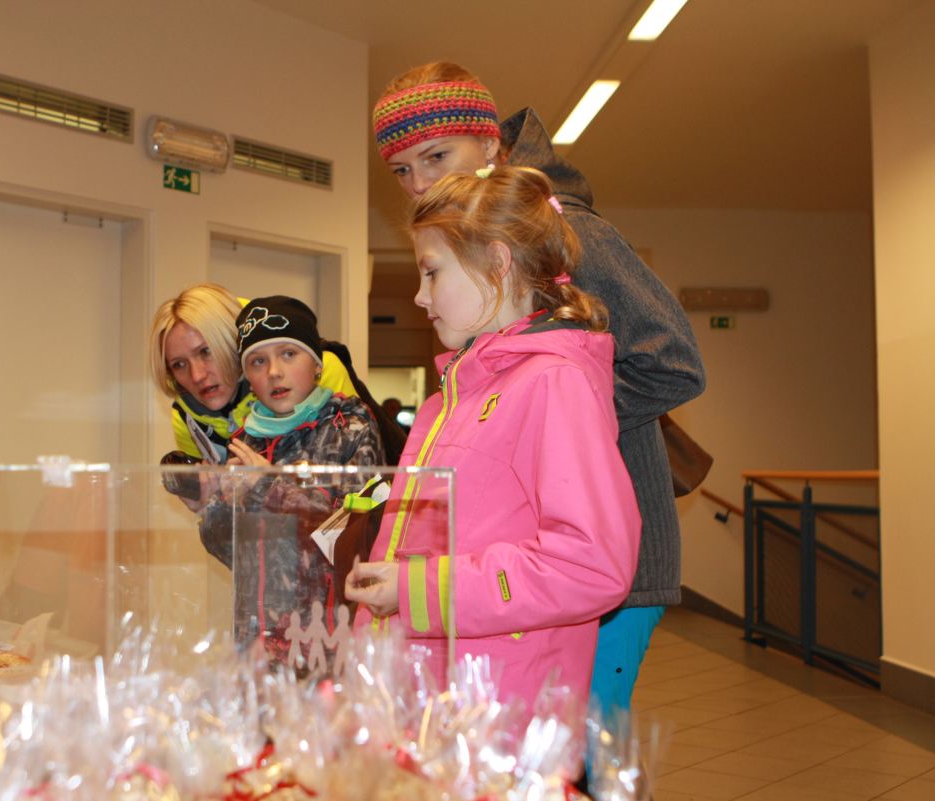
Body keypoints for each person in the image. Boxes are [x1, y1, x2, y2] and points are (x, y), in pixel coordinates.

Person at [372, 63, 706, 715]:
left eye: (436, 156)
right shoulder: (471, 251)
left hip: (599, 562)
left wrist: (541, 418)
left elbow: (674, 361)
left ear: (490, 144)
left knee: (580, 753)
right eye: (402, 170)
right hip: (514, 570)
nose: (419, 183)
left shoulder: (563, 228)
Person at [346, 166, 641, 709]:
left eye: (432, 272)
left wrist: (415, 591)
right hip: (434, 697)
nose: (419, 296)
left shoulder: (555, 382)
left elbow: (589, 564)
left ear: (498, 263)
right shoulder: (450, 401)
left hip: (501, 706)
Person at [198, 296, 385, 666]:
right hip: (256, 645)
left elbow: (351, 540)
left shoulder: (351, 428)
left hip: (328, 645)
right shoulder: (245, 440)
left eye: (288, 354)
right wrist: (213, 506)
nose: (274, 372)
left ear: (317, 364)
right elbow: (233, 555)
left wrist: (266, 487)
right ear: (247, 377)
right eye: (258, 361)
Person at [149, 283, 405, 474]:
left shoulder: (317, 374)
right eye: (179, 364)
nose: (197, 375)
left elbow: (344, 503)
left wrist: (265, 485)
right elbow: (229, 518)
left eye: (206, 352)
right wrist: (208, 502)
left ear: (230, 344)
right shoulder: (186, 417)